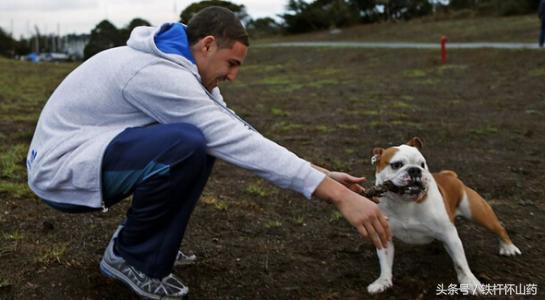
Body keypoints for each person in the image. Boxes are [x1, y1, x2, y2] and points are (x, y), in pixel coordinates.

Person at [26, 6, 390, 299]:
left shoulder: (184, 69)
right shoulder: (158, 74)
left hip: (90, 152)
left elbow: (236, 129)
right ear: (208, 44)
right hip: (60, 171)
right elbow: (229, 137)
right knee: (187, 144)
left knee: (198, 143)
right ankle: (131, 256)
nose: (233, 76)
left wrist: (320, 172)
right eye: (232, 64)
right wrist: (338, 196)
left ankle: (154, 243)